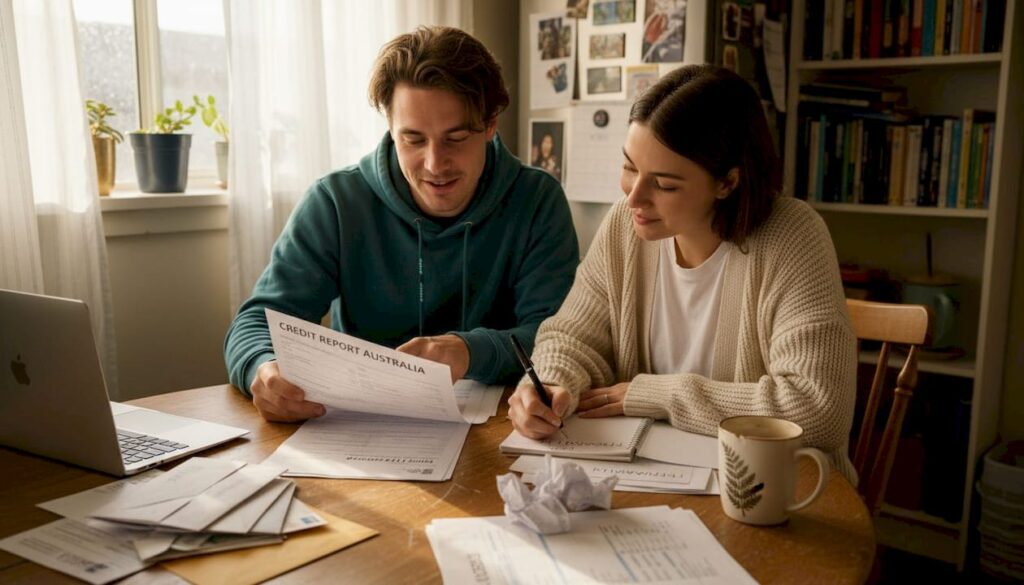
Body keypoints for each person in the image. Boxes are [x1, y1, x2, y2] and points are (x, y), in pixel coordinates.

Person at [507, 65, 858, 483]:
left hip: (779, 490)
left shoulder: (793, 236)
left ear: (726, 183)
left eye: (665, 185)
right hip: (649, 478)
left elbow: (818, 409)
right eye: (629, 167)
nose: (633, 196)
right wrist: (550, 384)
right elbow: (572, 337)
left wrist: (659, 394)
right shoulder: (625, 226)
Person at [226, 26, 580, 423]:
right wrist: (263, 367)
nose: (434, 164)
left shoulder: (537, 201)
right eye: (412, 140)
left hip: (504, 429)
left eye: (456, 138)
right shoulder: (336, 202)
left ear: (491, 123)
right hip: (361, 431)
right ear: (391, 129)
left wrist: (467, 352)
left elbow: (558, 337)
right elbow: (257, 321)